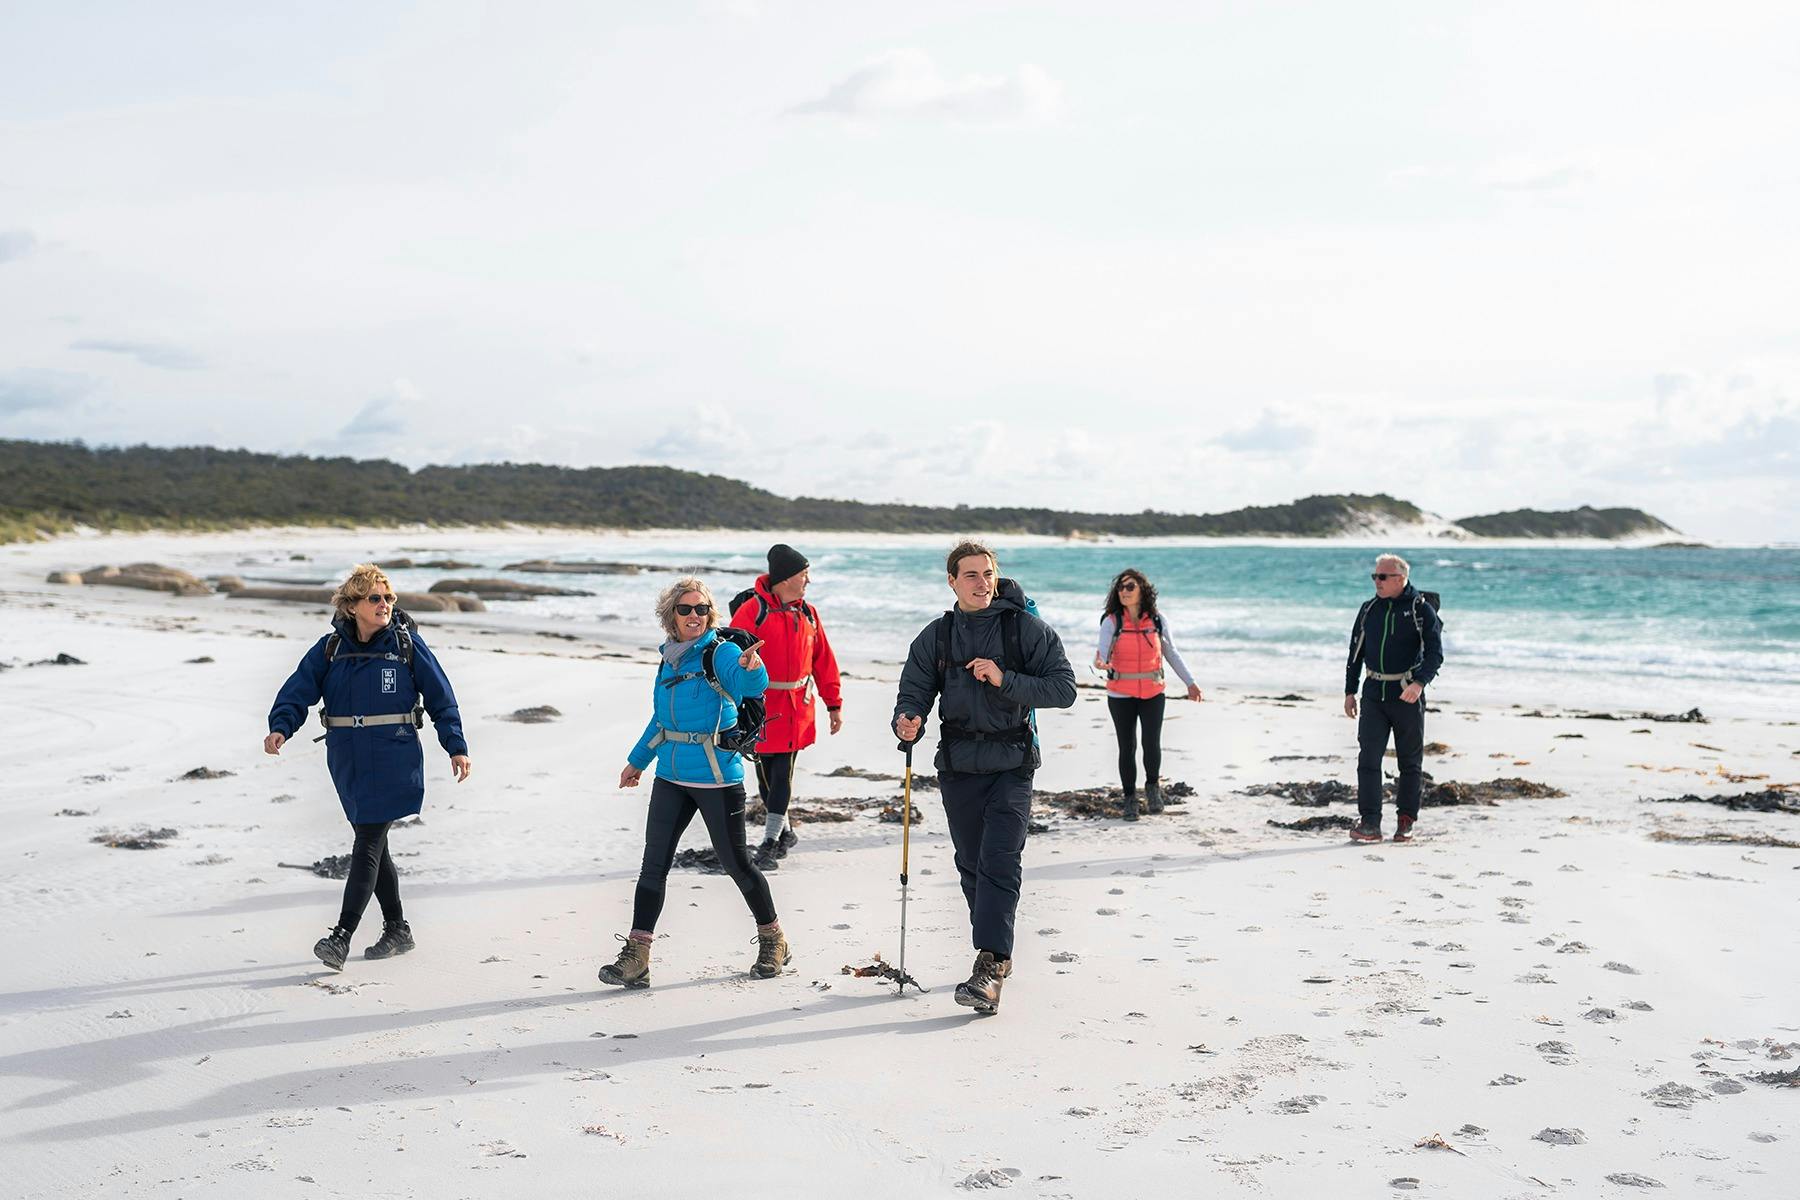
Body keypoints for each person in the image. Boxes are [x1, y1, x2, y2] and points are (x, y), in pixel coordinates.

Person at [892, 540, 1076, 1014]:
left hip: (1013, 762)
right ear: (951, 581)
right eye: (970, 575)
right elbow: (914, 689)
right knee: (971, 864)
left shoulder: (1026, 630)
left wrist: (1004, 678)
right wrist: (907, 719)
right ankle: (993, 951)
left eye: (988, 573)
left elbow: (1064, 688)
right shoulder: (937, 635)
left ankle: (990, 964)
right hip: (957, 764)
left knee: (999, 859)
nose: (982, 583)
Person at [265, 564, 471, 970]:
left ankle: (341, 936)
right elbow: (297, 691)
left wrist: (456, 746)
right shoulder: (330, 649)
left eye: (389, 598)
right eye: (375, 598)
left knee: (368, 841)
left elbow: (442, 699)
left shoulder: (407, 646)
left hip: (395, 756)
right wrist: (281, 728)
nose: (384, 605)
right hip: (348, 758)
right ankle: (398, 928)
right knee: (374, 842)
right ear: (352, 604)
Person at [599, 578, 789, 987]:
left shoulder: (720, 652)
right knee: (653, 866)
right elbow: (662, 720)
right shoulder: (668, 658)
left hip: (717, 779)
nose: (694, 616)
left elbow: (745, 684)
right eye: (685, 609)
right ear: (671, 616)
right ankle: (637, 955)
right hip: (671, 776)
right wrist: (638, 761)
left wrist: (753, 669)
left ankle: (773, 938)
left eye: (701, 609)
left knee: (737, 864)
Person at [729, 543, 844, 870]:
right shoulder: (753, 611)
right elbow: (729, 657)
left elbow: (824, 659)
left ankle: (769, 842)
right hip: (758, 708)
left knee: (782, 774)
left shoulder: (808, 613)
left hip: (797, 708)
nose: (807, 582)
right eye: (804, 575)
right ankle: (786, 832)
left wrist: (833, 702)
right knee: (766, 779)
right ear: (786, 578)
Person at [1343, 553, 1444, 843]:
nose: (1377, 581)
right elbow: (1355, 654)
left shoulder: (1420, 610)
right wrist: (1350, 691)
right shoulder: (1368, 609)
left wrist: (1419, 684)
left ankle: (1406, 821)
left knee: (1409, 763)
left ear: (1401, 578)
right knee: (1368, 760)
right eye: (1375, 576)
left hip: (1407, 696)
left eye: (1383, 577)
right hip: (1374, 693)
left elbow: (1436, 654)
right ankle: (1370, 823)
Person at [1094, 568, 1203, 820]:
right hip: (1120, 693)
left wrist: (1191, 682)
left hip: (1153, 692)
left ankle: (1153, 788)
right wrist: (1101, 663)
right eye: (1120, 587)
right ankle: (1130, 798)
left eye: (1130, 586)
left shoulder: (1157, 620)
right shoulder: (1111, 621)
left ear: (1142, 589)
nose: (1124, 591)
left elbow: (1172, 653)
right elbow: (1101, 653)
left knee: (1151, 743)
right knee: (1127, 746)